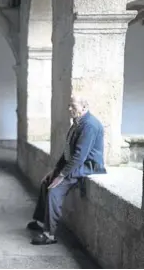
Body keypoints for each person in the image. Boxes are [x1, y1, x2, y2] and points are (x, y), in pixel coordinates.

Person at [27, 95, 106, 245]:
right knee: (47, 182)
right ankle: (41, 222)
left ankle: (49, 234)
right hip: (76, 162)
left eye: (73, 106)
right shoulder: (77, 123)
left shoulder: (89, 125)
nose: (70, 109)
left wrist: (61, 176)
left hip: (87, 165)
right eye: (69, 106)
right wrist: (55, 171)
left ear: (84, 107)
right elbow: (67, 152)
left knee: (54, 190)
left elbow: (79, 157)